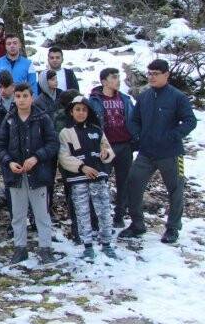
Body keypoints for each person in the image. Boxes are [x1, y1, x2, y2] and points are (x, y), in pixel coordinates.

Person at [121, 59, 197, 243]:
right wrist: (138, 135)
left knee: (176, 189)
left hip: (171, 153)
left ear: (166, 74)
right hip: (146, 152)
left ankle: (173, 228)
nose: (152, 77)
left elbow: (190, 121)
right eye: (149, 73)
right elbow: (134, 120)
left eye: (156, 73)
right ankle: (137, 224)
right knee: (133, 184)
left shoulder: (177, 97)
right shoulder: (144, 97)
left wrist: (173, 135)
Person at [0, 83, 59, 265]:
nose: (21, 100)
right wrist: (9, 162)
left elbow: (53, 144)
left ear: (32, 97)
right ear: (14, 98)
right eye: (18, 96)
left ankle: (45, 248)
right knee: (18, 215)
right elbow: (0, 146)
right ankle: (20, 248)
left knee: (41, 214)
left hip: (38, 174)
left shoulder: (42, 118)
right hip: (15, 175)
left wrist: (36, 158)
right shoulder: (9, 119)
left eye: (25, 96)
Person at [58, 96, 119, 260]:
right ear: (71, 112)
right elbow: (63, 157)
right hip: (78, 179)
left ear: (89, 112)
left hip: (98, 177)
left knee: (104, 210)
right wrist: (82, 167)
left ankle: (106, 243)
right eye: (77, 109)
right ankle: (87, 245)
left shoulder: (97, 130)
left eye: (84, 110)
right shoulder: (65, 133)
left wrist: (106, 154)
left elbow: (108, 149)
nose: (81, 113)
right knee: (82, 212)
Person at [88, 68, 137, 228]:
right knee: (101, 181)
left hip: (125, 145)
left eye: (118, 77)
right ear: (104, 81)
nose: (118, 80)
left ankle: (119, 215)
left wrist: (135, 139)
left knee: (124, 182)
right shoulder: (95, 101)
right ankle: (98, 217)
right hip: (105, 146)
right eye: (114, 77)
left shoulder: (125, 99)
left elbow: (133, 120)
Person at [0, 34, 38, 100]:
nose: (12, 46)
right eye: (9, 44)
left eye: (15, 43)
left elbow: (33, 87)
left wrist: (33, 104)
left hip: (20, 103)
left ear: (20, 45)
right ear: (5, 46)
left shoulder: (28, 64)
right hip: (1, 103)